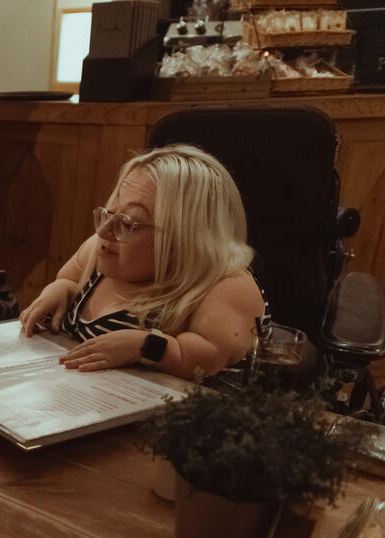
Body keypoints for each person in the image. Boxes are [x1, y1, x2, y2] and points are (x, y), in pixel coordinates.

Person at [19, 144, 268, 380]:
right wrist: (62, 290)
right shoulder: (102, 249)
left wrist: (143, 346)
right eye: (108, 214)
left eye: (127, 224)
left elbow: (208, 359)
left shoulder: (228, 285)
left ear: (185, 240)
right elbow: (69, 278)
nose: (104, 231)